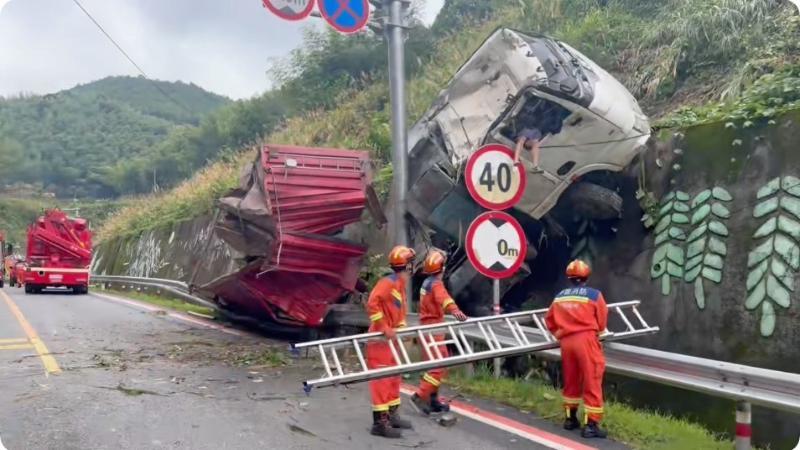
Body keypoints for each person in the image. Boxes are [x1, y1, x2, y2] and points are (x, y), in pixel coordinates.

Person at [545, 259, 609, 439]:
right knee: (592, 378)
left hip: (567, 342)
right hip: (586, 339)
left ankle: (570, 419)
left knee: (572, 379)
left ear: (569, 277)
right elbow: (602, 319)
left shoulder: (560, 296)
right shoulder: (594, 295)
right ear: (587, 276)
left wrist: (559, 332)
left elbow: (549, 319)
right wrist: (599, 331)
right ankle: (591, 425)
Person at [366, 245, 416, 438]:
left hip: (392, 340)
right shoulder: (387, 282)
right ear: (407, 266)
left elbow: (399, 313)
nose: (414, 268)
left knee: (394, 376)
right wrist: (383, 326)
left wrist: (402, 331)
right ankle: (379, 423)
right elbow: (372, 304)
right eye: (412, 264)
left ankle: (392, 414)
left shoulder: (400, 285)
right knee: (382, 380)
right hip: (380, 340)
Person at [410, 250, 467, 414]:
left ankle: (432, 399)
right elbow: (444, 299)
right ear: (442, 269)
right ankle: (421, 396)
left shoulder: (427, 282)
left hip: (429, 328)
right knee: (438, 367)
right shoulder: (436, 284)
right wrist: (456, 311)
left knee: (439, 365)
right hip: (433, 329)